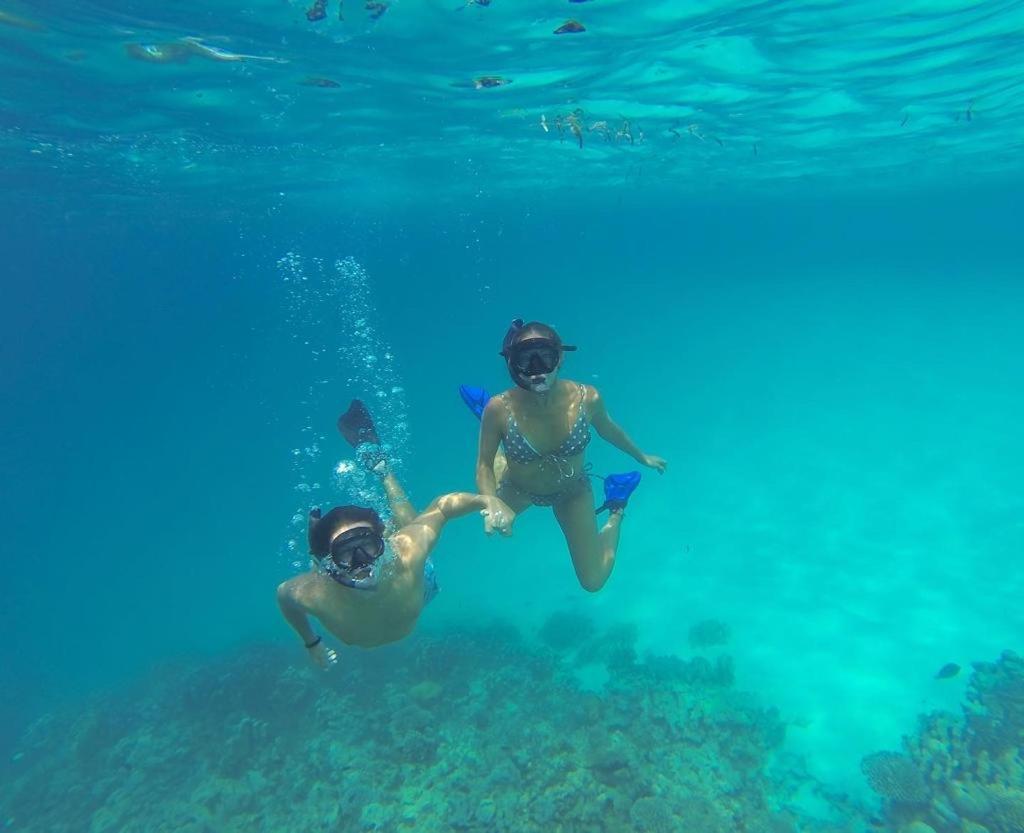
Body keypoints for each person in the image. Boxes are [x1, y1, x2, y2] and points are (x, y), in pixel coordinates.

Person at [276, 399, 510, 668]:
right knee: (322, 558)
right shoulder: (315, 593)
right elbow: (284, 596)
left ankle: (382, 470)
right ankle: (319, 546)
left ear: (383, 542)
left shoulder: (407, 556)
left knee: (411, 524)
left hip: (422, 587)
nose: (362, 561)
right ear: (331, 562)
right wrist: (311, 643)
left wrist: (486, 501)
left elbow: (442, 507)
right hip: (333, 569)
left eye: (368, 546)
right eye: (345, 553)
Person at [463, 319, 666, 592]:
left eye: (544, 357)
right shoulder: (499, 409)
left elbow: (609, 430)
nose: (536, 369)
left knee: (593, 581)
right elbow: (484, 465)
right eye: (526, 360)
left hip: (571, 492)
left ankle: (617, 504)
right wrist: (490, 501)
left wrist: (641, 456)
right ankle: (499, 433)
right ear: (513, 365)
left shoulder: (587, 398)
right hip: (518, 489)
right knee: (474, 519)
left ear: (559, 359)